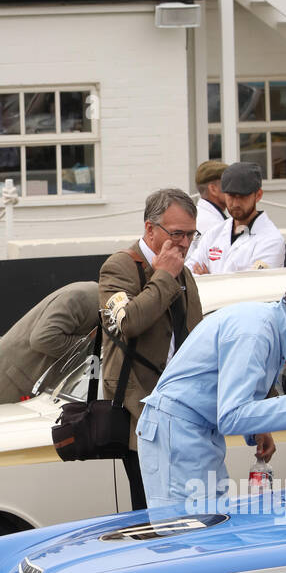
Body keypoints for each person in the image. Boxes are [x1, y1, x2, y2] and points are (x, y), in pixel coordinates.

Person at [136, 271, 286, 506]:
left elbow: (237, 402)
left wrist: (259, 428)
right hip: (179, 432)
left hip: (191, 432)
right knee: (184, 532)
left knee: (208, 525)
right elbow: (230, 416)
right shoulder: (256, 332)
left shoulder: (267, 327)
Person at [99, 189, 203, 510]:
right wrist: (164, 276)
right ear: (149, 229)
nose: (185, 243)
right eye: (177, 234)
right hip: (139, 417)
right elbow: (128, 322)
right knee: (150, 517)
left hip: (180, 417)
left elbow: (196, 339)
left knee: (183, 515)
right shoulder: (119, 267)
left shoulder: (182, 273)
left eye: (191, 234)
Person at [0, 281, 98, 407]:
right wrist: (90, 343)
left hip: (21, 380)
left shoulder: (90, 295)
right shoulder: (83, 297)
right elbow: (43, 339)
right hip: (10, 380)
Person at [187, 161, 285, 274]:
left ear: (258, 195)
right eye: (231, 196)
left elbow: (253, 285)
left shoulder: (271, 240)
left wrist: (208, 278)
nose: (236, 203)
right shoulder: (214, 233)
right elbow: (189, 274)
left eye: (243, 196)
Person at [194, 159, 227, 234]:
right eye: (228, 183)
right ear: (213, 189)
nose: (234, 189)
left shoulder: (197, 214)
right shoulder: (214, 225)